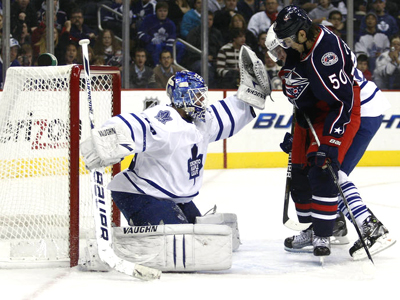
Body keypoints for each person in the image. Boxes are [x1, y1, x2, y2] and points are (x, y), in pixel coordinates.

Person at [268, 6, 395, 260]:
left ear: (301, 34)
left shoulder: (324, 55)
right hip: (346, 108)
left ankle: (372, 228)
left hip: (361, 109)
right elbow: (312, 102)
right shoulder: (305, 47)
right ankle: (332, 223)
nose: (282, 52)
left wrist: (331, 140)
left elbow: (343, 102)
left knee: (332, 171)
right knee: (321, 170)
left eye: (283, 46)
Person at [80, 65, 270, 227]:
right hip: (141, 194)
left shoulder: (202, 121)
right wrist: (105, 142)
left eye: (202, 95)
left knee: (201, 240)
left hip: (174, 197)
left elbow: (225, 116)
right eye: (197, 96)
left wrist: (250, 96)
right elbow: (136, 124)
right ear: (181, 98)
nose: (202, 100)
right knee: (184, 241)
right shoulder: (164, 119)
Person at [137, 1, 185, 66]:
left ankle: (173, 64)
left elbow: (172, 38)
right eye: (160, 11)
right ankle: (158, 66)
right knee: (158, 46)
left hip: (165, 44)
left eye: (165, 11)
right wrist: (150, 39)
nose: (163, 13)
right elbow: (140, 33)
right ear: (156, 11)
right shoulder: (149, 19)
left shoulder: (170, 23)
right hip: (151, 43)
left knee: (181, 46)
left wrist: (168, 51)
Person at [186, 10, 224, 88]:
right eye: (207, 19)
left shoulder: (217, 33)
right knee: (207, 67)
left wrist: (214, 57)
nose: (208, 21)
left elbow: (220, 49)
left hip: (214, 60)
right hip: (197, 60)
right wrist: (203, 57)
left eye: (210, 19)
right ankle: (208, 91)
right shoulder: (194, 33)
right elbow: (190, 51)